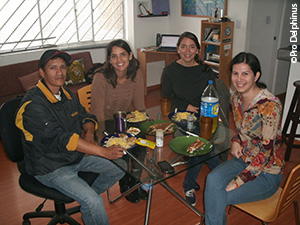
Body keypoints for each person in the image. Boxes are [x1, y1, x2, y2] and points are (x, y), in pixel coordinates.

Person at [15, 49, 126, 225]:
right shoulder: (33, 105)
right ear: (42, 72)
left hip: (73, 156)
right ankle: (90, 202)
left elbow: (86, 116)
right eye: (53, 68)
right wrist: (102, 152)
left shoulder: (65, 93)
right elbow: (62, 139)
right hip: (49, 166)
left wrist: (89, 134)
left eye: (63, 67)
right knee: (94, 202)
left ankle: (87, 203)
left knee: (120, 167)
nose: (60, 72)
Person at [204, 52, 285, 225]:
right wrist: (235, 140)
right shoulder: (236, 98)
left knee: (219, 196)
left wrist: (238, 181)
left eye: (245, 73)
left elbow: (266, 153)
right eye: (235, 73)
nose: (239, 79)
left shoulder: (270, 105)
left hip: (267, 172)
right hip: (244, 158)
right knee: (212, 179)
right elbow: (242, 130)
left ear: (256, 75)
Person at [161, 31, 230, 206]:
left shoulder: (206, 71)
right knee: (204, 145)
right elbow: (166, 99)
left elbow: (213, 97)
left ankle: (190, 185)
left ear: (198, 51)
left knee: (199, 146)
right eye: (183, 46)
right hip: (182, 118)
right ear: (177, 49)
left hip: (205, 118)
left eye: (192, 47)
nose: (187, 51)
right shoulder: (169, 71)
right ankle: (219, 179)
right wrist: (186, 107)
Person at [90, 39, 147, 203]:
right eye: (113, 56)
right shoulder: (101, 77)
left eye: (123, 54)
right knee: (121, 147)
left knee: (141, 143)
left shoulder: (136, 73)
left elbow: (140, 106)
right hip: (105, 121)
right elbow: (97, 112)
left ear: (130, 55)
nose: (119, 60)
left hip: (126, 118)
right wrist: (100, 136)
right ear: (109, 60)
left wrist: (144, 126)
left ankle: (134, 181)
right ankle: (125, 183)